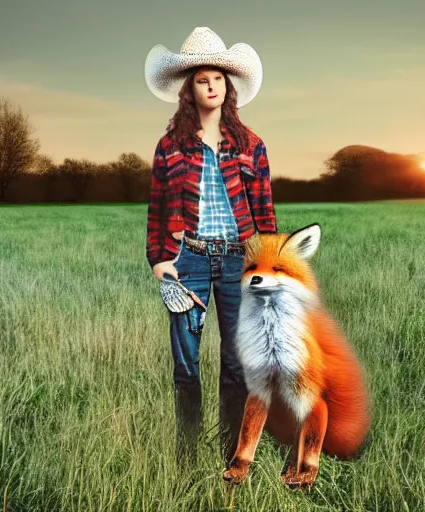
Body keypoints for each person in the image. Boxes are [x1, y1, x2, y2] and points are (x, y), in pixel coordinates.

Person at [144, 27, 277, 467]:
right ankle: (186, 459)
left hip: (237, 260)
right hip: (190, 261)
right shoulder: (171, 147)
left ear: (229, 86)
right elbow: (158, 210)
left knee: (238, 366)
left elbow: (265, 214)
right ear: (189, 89)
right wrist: (161, 265)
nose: (212, 87)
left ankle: (231, 458)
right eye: (203, 80)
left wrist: (272, 269)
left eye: (218, 79)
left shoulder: (251, 146)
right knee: (186, 366)